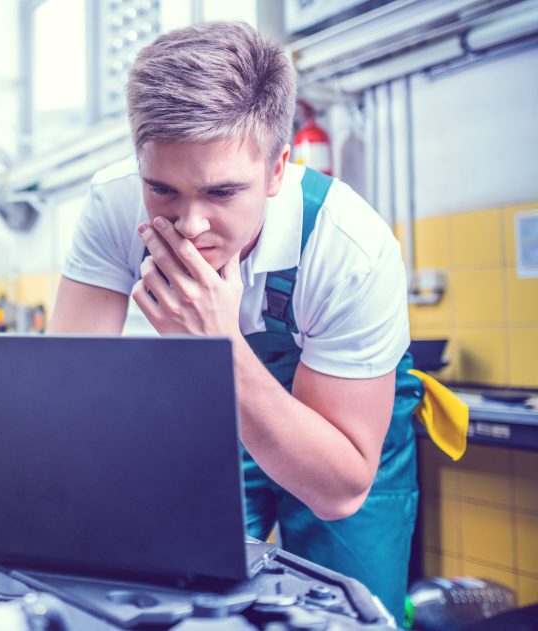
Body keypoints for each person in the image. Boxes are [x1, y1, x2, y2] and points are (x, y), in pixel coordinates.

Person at [48, 22, 422, 622]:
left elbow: (340, 488)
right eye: (162, 189)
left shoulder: (349, 246)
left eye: (222, 192)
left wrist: (219, 349)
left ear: (277, 169)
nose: (190, 224)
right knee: (179, 591)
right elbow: (66, 391)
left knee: (349, 608)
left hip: (344, 425)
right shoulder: (113, 204)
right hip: (205, 410)